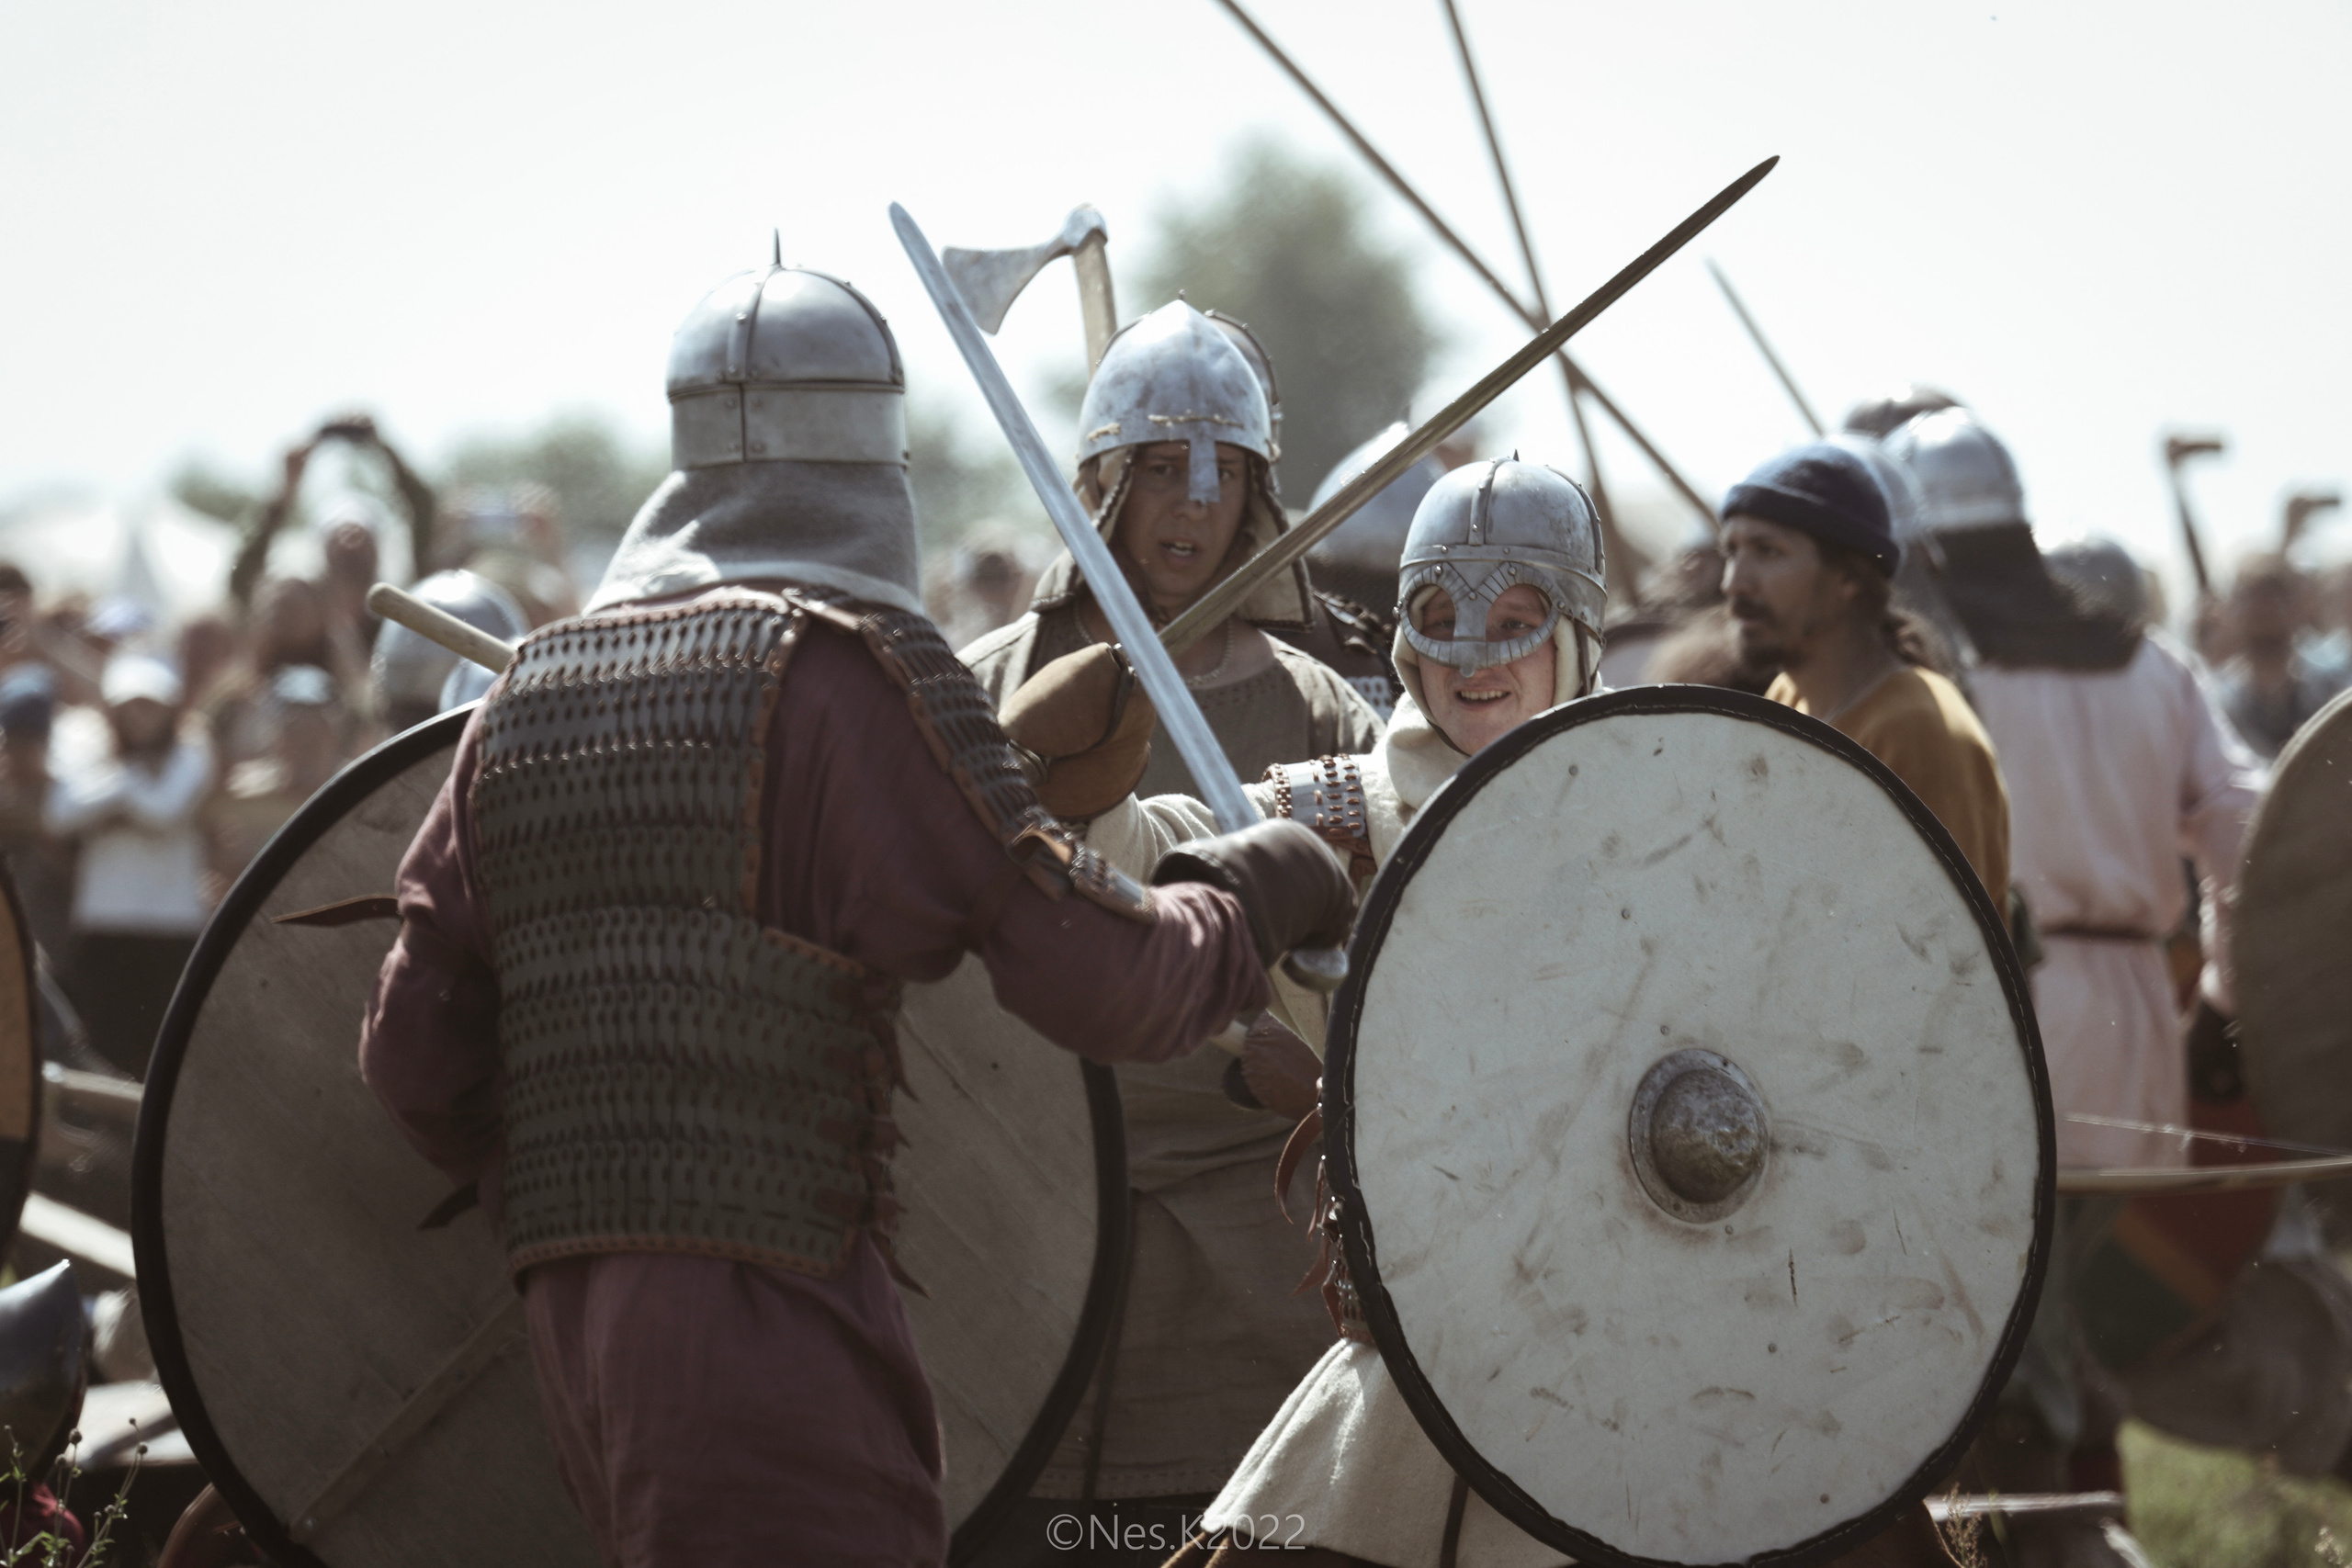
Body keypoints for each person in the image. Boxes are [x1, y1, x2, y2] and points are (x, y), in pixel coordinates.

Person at [357, 255, 1355, 1568]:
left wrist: (596, 1178)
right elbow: (1107, 984)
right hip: (779, 1314)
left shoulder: (522, 698)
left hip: (574, 1318)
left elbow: (412, 1062)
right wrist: (1257, 880)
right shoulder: (854, 685)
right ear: (878, 457)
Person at [1025, 459, 1946, 1568]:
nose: (1474, 654)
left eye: (1515, 621)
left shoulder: (1675, 817)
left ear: (1577, 634)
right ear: (1404, 640)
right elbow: (1133, 864)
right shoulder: (1334, 816)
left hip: (1661, 1356)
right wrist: (1088, 775)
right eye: (1439, 614)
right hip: (1419, 1356)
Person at [961, 299, 1382, 1552]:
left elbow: (1378, 955)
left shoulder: (1324, 710)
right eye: (1157, 469)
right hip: (1038, 1202)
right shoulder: (987, 682)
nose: (1193, 504)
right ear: (1099, 481)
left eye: (1222, 473)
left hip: (1260, 1210)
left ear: (1257, 491)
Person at [1874, 407, 2262, 1508]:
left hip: (1998, 1014)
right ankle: (2080, 1508)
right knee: (2055, 1310)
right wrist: (2224, 994)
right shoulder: (2152, 666)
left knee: (2006, 1324)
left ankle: (2060, 1527)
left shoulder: (1938, 674)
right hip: (2136, 1019)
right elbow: (2245, 826)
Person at [1717, 441, 2010, 907]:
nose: (1734, 582)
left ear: (1848, 578)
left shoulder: (1920, 732)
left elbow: (1944, 941)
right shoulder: (1788, 697)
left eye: (1768, 551)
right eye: (1731, 551)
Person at [46, 654, 214, 1077]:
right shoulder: (94, 753)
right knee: (107, 1050)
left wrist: (113, 797)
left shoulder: (192, 752)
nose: (140, 716)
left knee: (164, 1053)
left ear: (170, 708)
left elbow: (165, 810)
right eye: (130, 705)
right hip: (105, 928)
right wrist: (131, 782)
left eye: (150, 705)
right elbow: (59, 813)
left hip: (171, 929)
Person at [203, 664, 346, 895]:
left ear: (334, 734)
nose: (306, 742)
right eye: (294, 729)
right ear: (273, 736)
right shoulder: (241, 796)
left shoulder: (358, 789)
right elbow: (220, 873)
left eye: (317, 728)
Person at [2211, 552, 2341, 759]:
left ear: (2297, 605)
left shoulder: (2333, 688)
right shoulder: (2217, 702)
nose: (2261, 607)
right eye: (2250, 597)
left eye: (2272, 595)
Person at [0, 669, 74, 963]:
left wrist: (42, 831)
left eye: (29, 740)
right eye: (13, 740)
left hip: (53, 945)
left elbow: (83, 874)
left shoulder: (71, 798)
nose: (19, 751)